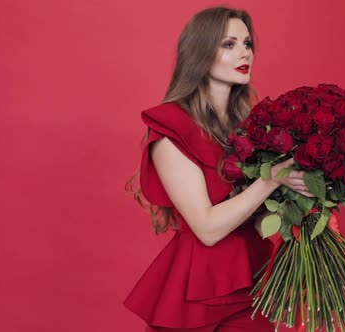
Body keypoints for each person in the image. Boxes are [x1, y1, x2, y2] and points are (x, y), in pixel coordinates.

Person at [124, 6, 313, 332]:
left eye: (247, 43)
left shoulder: (251, 128)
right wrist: (272, 180)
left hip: (254, 277)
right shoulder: (172, 128)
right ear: (200, 53)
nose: (245, 53)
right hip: (197, 292)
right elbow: (207, 229)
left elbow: (257, 214)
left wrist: (305, 200)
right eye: (229, 44)